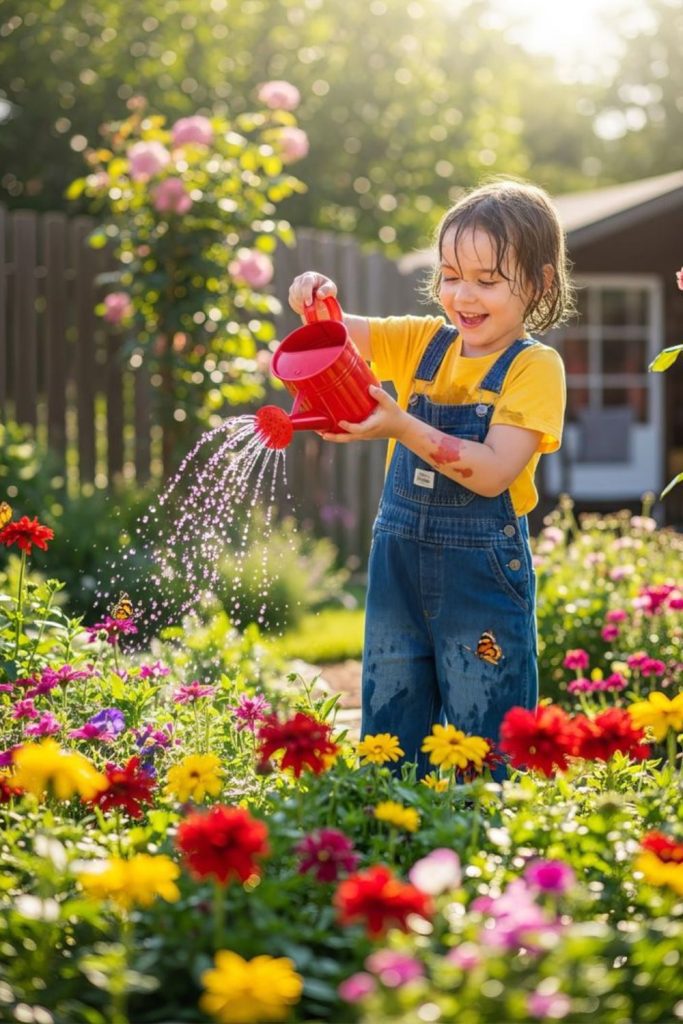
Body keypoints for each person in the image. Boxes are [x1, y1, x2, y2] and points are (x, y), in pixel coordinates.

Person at [288, 178, 570, 777]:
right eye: (450, 275)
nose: (463, 295)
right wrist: (315, 299)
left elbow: (492, 473)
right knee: (391, 721)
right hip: (399, 566)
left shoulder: (534, 368)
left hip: (481, 577)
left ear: (540, 283)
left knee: (484, 734)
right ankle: (389, 822)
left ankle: (486, 829)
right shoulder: (423, 342)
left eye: (487, 280)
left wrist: (401, 426)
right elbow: (340, 333)